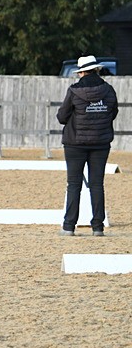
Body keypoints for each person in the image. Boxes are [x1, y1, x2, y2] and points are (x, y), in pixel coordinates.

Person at [57, 54, 118, 236]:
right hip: (100, 142)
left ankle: (69, 226)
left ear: (82, 72)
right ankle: (97, 227)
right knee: (97, 184)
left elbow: (62, 117)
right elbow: (112, 112)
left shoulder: (74, 90)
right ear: (97, 70)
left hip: (75, 143)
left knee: (74, 184)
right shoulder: (108, 90)